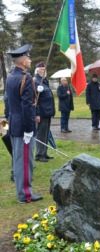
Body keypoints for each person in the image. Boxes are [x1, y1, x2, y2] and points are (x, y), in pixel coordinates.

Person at [6, 44, 43, 203]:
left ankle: (22, 191)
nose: (30, 60)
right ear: (22, 61)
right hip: (23, 126)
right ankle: (25, 194)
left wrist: (8, 122)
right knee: (25, 161)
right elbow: (27, 106)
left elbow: (9, 103)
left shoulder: (10, 77)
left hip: (14, 124)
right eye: (28, 57)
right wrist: (29, 129)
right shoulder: (25, 78)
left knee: (18, 160)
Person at [34, 61, 55, 162]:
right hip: (41, 112)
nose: (44, 71)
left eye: (44, 69)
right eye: (42, 69)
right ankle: (39, 154)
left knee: (46, 134)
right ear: (37, 70)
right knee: (41, 134)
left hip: (47, 111)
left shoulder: (45, 81)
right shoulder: (36, 81)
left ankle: (44, 152)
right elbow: (35, 100)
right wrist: (37, 114)